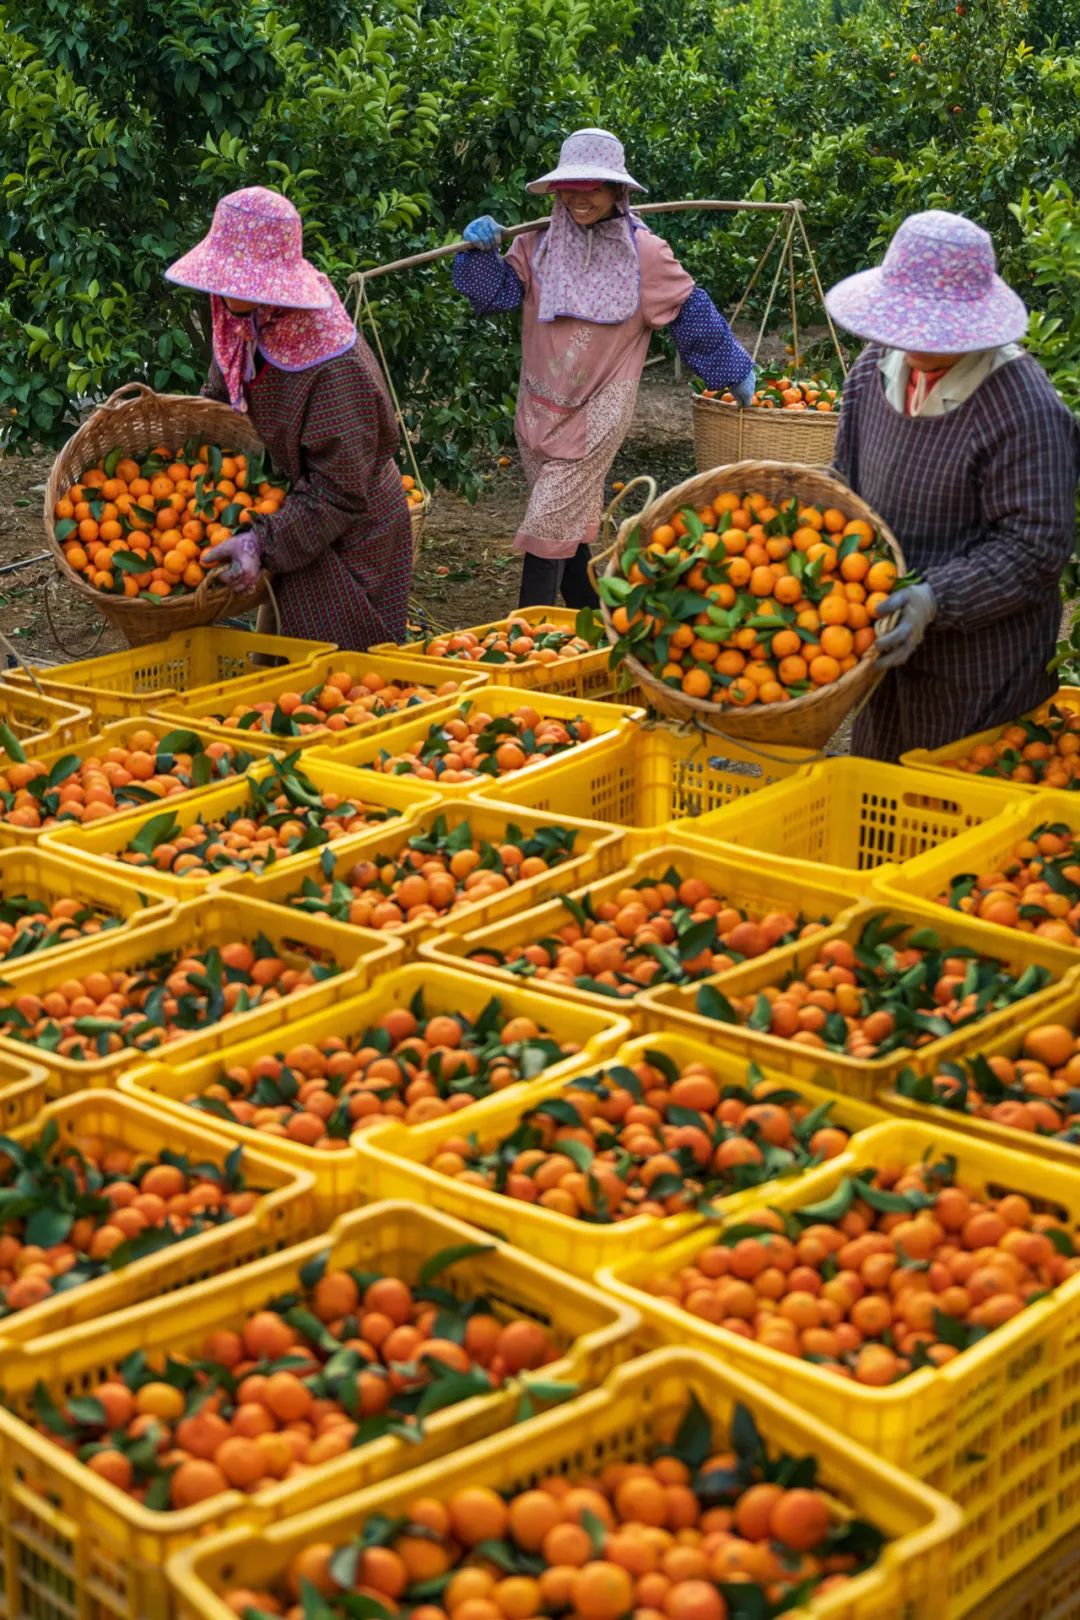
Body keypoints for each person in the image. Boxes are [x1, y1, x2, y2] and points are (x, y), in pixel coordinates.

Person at [453, 128, 755, 610]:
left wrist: (732, 370)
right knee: (565, 529)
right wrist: (478, 252)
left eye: (591, 187)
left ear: (618, 191)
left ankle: (522, 634)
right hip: (538, 407)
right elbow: (499, 296)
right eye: (569, 187)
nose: (577, 198)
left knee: (546, 523)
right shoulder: (535, 246)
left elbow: (689, 310)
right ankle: (596, 622)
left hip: (599, 410)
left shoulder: (647, 255)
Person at [826, 209, 1080, 762]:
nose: (916, 342)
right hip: (883, 644)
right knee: (880, 806)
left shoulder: (1023, 408)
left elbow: (1035, 546)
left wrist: (936, 596)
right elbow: (844, 483)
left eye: (934, 330)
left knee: (951, 812)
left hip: (979, 669)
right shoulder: (875, 368)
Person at [165, 186, 412, 649]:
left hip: (351, 532)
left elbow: (340, 491)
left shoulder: (333, 364)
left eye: (238, 279)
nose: (222, 289)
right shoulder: (241, 318)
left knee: (342, 679)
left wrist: (262, 542)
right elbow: (224, 397)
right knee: (282, 668)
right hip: (287, 513)